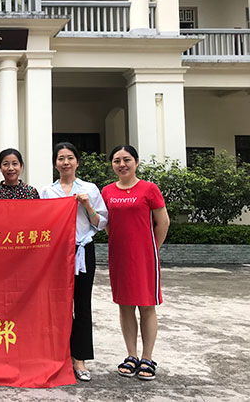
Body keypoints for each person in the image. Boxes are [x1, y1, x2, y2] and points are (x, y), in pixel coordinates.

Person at [39, 142, 107, 382]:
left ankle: (80, 358)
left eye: (70, 158)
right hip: (56, 253)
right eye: (61, 158)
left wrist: (87, 205)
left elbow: (101, 223)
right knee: (57, 305)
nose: (65, 162)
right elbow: (42, 222)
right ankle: (58, 354)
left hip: (82, 251)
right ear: (55, 163)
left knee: (82, 303)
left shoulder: (90, 189)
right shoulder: (47, 192)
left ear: (77, 161)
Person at [101, 145, 170, 381]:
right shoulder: (107, 191)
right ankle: (131, 356)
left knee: (146, 305)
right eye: (117, 161)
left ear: (136, 162)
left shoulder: (149, 189)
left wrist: (151, 249)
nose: (122, 165)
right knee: (125, 305)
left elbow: (163, 222)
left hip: (144, 257)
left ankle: (147, 358)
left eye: (127, 160)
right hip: (119, 256)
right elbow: (108, 224)